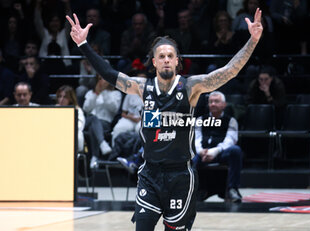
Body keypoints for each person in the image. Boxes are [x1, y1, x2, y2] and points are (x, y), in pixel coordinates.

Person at [66, 8, 262, 230]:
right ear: (154, 62)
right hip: (150, 174)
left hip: (180, 175)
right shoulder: (142, 88)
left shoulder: (191, 87)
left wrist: (252, 41)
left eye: (170, 56)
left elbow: (229, 71)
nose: (166, 60)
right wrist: (84, 45)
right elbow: (110, 74)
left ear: (177, 61)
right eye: (162, 56)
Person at [193, 91, 243, 202]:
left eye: (216, 101)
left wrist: (214, 151)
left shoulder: (231, 121)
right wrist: (201, 151)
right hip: (202, 154)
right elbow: (196, 139)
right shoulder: (200, 120)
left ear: (224, 105)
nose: (213, 104)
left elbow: (230, 140)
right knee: (190, 156)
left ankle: (232, 189)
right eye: (211, 102)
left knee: (236, 150)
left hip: (221, 153)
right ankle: (193, 190)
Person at [83, 74, 122, 168]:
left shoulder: (116, 94)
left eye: (104, 79)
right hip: (89, 121)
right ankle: (102, 143)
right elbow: (86, 108)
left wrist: (104, 93)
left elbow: (114, 109)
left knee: (94, 128)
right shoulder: (90, 93)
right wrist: (96, 94)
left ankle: (94, 157)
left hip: (105, 123)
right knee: (93, 118)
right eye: (100, 79)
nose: (101, 81)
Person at [56, 85, 85, 153]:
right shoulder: (54, 109)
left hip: (73, 139)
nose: (61, 99)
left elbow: (79, 126)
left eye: (65, 97)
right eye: (60, 96)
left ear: (70, 98)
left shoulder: (77, 110)